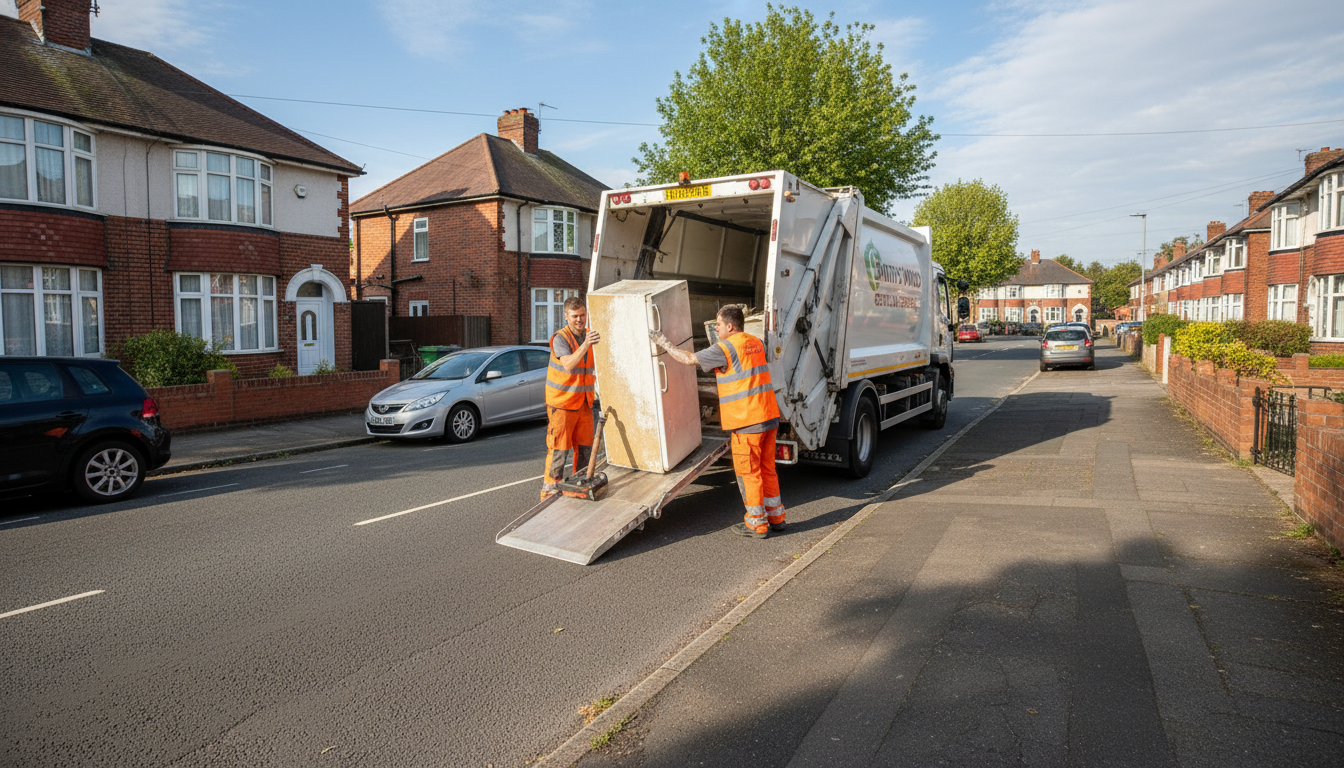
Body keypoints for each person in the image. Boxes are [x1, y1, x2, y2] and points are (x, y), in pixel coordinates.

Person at [652, 306, 785, 539]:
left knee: (749, 472)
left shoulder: (725, 348)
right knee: (767, 469)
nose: (716, 327)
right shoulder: (756, 342)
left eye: (718, 324)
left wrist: (663, 342)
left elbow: (688, 359)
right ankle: (776, 518)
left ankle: (757, 524)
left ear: (730, 326)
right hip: (768, 417)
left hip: (747, 423)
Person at [541, 296, 599, 499]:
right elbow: (568, 364)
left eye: (583, 315)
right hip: (562, 404)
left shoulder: (590, 335)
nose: (580, 320)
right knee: (559, 449)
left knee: (584, 449)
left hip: (584, 402)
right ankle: (549, 492)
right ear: (566, 316)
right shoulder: (560, 338)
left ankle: (578, 487)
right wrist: (586, 345)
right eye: (575, 316)